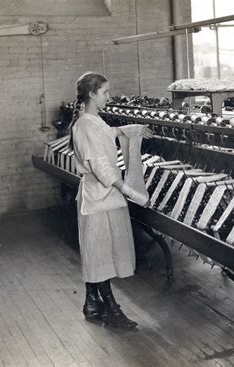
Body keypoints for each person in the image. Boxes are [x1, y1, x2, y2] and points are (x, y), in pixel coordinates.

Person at [68, 71, 152, 329]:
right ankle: (113, 311)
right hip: (98, 196)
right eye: (105, 92)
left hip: (105, 196)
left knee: (98, 252)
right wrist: (130, 191)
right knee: (100, 253)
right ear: (92, 94)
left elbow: (105, 132)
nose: (109, 96)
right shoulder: (83, 125)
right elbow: (102, 166)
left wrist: (129, 129)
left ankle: (92, 304)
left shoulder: (93, 121)